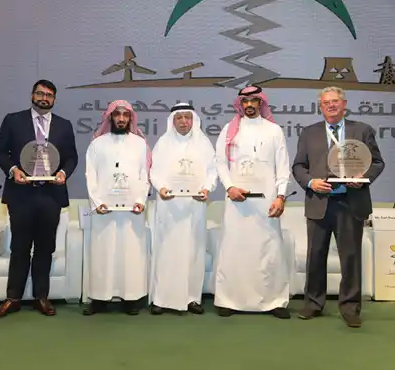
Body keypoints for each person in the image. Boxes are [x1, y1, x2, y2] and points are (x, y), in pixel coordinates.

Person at [292, 86, 385, 328]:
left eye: (335, 101)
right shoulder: (309, 133)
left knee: (351, 257)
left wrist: (364, 177)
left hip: (350, 202)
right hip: (319, 202)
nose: (331, 105)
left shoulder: (362, 130)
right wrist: (311, 182)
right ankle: (313, 303)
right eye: (326, 102)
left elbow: (377, 162)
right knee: (315, 255)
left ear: (344, 104)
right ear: (320, 107)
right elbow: (299, 166)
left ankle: (350, 308)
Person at [0, 79, 78, 320]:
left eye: (49, 95)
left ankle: (41, 297)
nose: (44, 98)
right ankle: (13, 298)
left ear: (54, 99)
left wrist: (63, 173)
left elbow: (71, 157)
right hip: (21, 195)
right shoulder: (13, 120)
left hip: (51, 195)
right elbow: (0, 152)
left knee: (45, 247)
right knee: (19, 247)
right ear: (32, 95)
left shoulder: (64, 125)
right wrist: (13, 170)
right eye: (40, 93)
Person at [214, 85, 291, 319]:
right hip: (237, 201)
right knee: (234, 249)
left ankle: (274, 301)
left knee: (269, 250)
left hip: (267, 202)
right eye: (245, 102)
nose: (249, 105)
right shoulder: (229, 130)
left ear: (261, 103)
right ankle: (229, 300)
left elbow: (282, 167)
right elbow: (220, 163)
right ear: (240, 104)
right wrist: (230, 187)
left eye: (253, 101)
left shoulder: (274, 130)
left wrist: (281, 196)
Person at [83, 100, 151, 316]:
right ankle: (99, 299)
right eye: (117, 114)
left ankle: (130, 299)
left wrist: (141, 199)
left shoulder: (140, 144)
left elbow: (144, 174)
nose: (121, 119)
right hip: (104, 210)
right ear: (110, 117)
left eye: (125, 115)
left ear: (130, 118)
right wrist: (97, 202)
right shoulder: (97, 144)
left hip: (132, 211)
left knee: (130, 254)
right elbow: (91, 174)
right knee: (102, 254)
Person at [149, 103, 217, 314]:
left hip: (194, 206)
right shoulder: (163, 143)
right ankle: (161, 299)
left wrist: (206, 188)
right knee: (167, 251)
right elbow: (154, 172)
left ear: (193, 120)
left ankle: (192, 298)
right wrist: (160, 187)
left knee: (193, 252)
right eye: (179, 118)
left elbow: (212, 171)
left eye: (188, 117)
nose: (184, 121)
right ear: (173, 121)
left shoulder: (203, 144)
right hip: (169, 206)